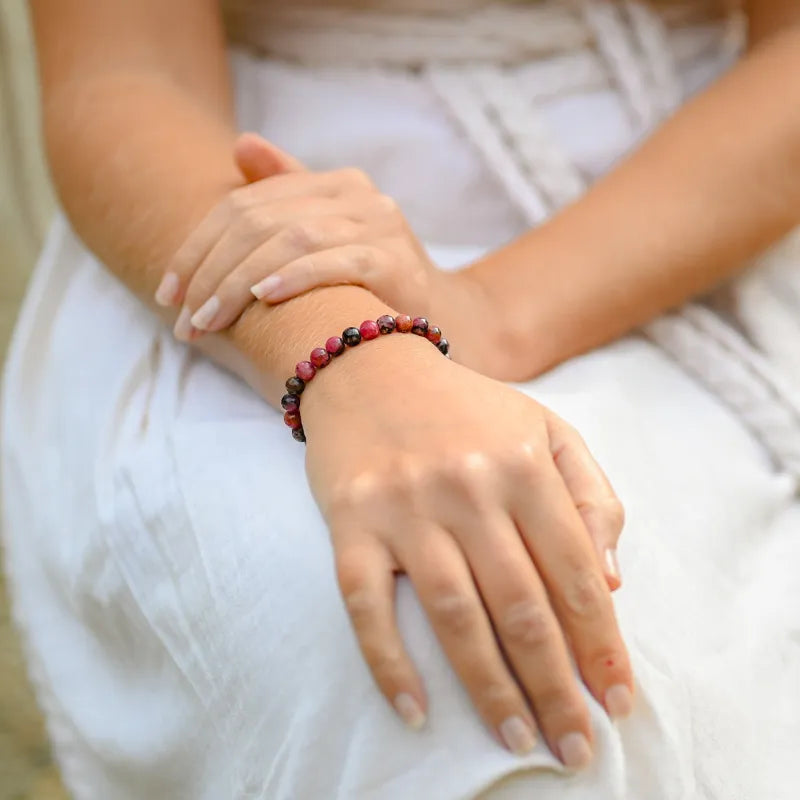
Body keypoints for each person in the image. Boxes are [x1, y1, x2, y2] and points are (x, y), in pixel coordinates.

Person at [3, 0, 800, 797]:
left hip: (693, 207)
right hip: (239, 217)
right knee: (436, 631)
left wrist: (492, 306)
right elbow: (128, 72)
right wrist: (354, 353)